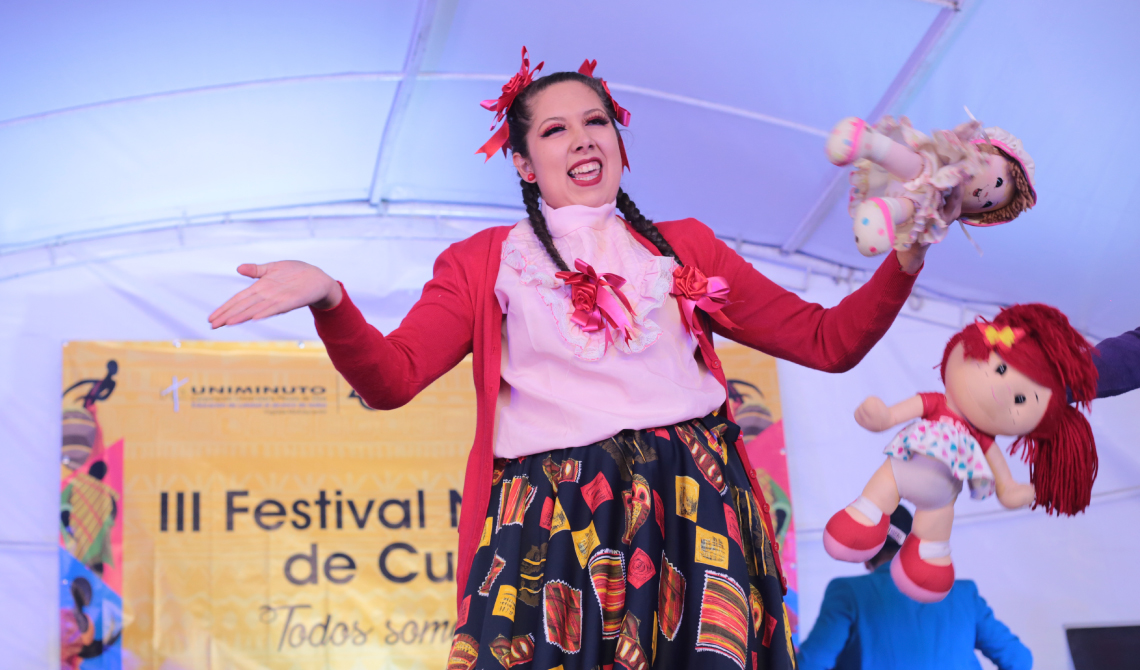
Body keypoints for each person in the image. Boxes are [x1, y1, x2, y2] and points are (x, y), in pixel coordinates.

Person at [209, 48, 929, 669]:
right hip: (554, 523)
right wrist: (331, 299)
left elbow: (830, 342)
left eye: (596, 122)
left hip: (694, 508)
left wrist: (910, 248)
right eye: (555, 130)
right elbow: (391, 379)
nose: (582, 139)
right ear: (523, 161)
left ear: (620, 143)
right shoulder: (485, 263)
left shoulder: (684, 247)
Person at [799, 507, 1032, 670]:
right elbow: (1020, 661)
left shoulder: (848, 593)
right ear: (916, 545)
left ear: (865, 554)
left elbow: (810, 664)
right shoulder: (963, 594)